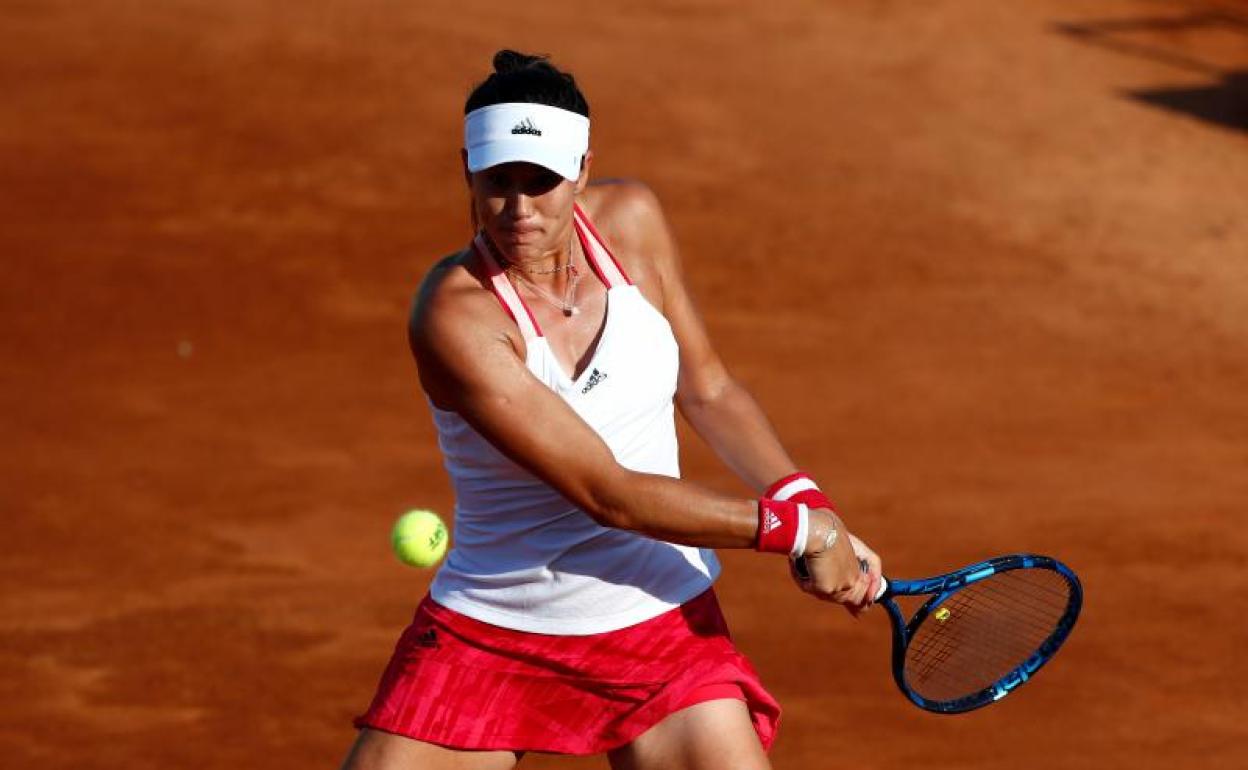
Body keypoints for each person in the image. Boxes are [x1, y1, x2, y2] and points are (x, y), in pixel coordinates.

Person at [342, 49, 883, 770]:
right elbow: (609, 494)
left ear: (583, 170)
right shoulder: (454, 316)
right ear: (466, 171)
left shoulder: (633, 223)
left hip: (657, 625)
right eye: (496, 181)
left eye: (541, 182)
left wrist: (805, 499)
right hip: (491, 634)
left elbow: (708, 387)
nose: (518, 210)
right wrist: (802, 534)